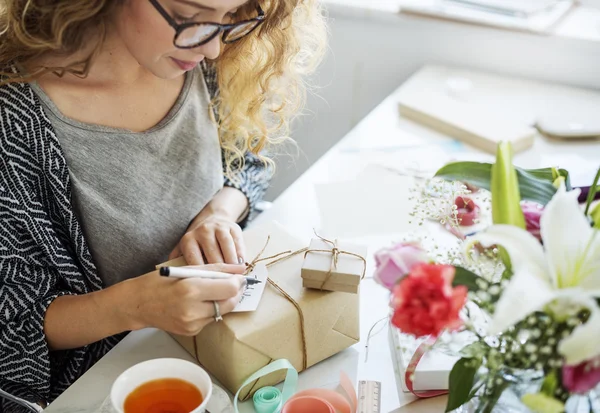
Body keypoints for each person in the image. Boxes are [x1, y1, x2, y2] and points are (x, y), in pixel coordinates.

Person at [0, 0, 326, 410]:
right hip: (121, 384)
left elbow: (248, 163)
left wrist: (220, 211)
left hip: (231, 359)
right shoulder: (13, 124)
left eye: (231, 18)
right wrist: (135, 306)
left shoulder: (200, 62)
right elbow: (12, 321)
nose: (212, 47)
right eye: (191, 17)